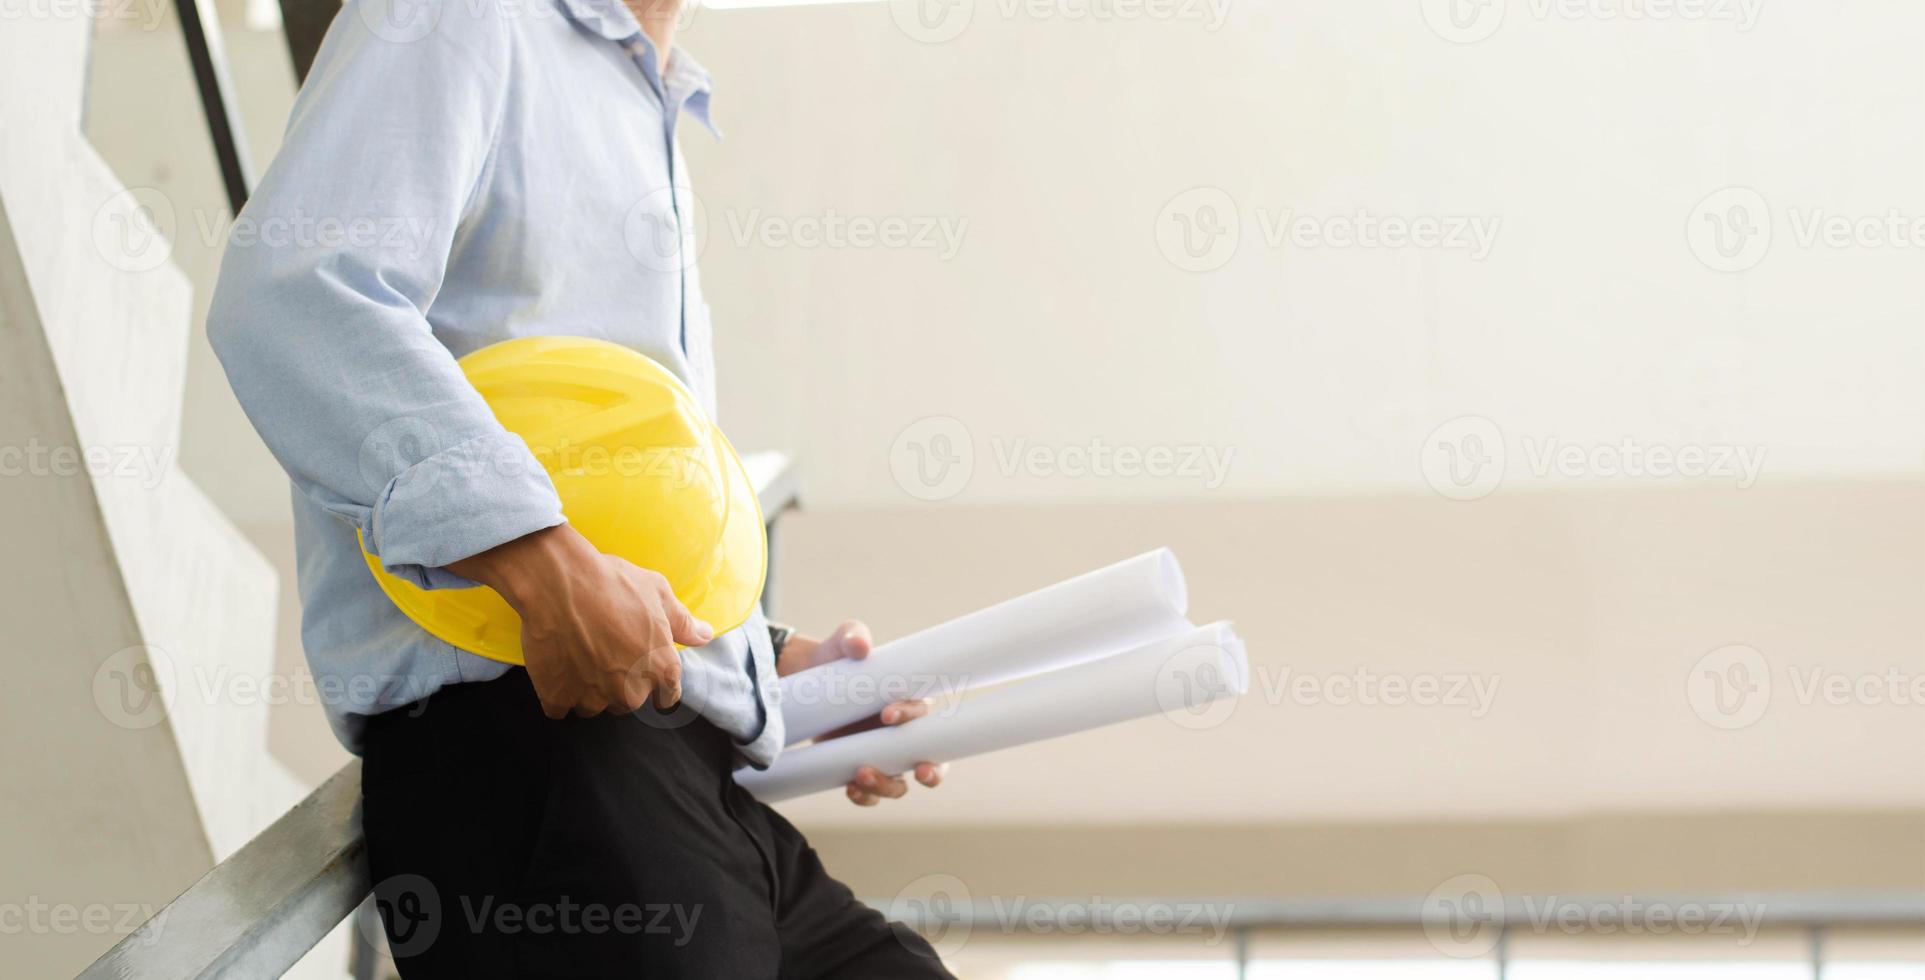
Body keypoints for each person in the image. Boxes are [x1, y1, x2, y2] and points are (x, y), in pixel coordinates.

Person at [205, 0, 955, 974]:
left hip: (682, 767)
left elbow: (599, 478)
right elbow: (297, 293)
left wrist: (764, 668)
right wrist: (536, 558)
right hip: (532, 755)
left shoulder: (648, 93)